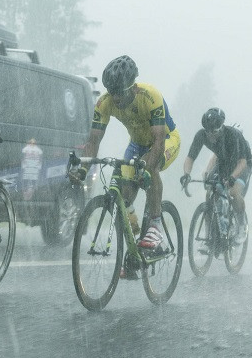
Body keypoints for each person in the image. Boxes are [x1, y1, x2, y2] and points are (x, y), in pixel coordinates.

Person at [71, 56, 181, 276]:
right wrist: (82, 169)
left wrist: (147, 170)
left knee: (151, 168)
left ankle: (156, 226)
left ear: (132, 87)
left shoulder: (150, 96)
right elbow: (93, 141)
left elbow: (158, 141)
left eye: (120, 91)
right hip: (137, 145)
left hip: (166, 140)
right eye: (112, 91)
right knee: (125, 195)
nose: (116, 97)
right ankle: (134, 251)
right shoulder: (105, 102)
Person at [179, 107, 252, 242]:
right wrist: (186, 174)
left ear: (221, 127)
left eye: (214, 132)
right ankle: (209, 235)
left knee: (233, 192)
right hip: (224, 163)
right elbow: (191, 158)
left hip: (242, 165)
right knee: (210, 192)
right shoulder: (201, 135)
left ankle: (242, 225)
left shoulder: (233, 135)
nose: (210, 136)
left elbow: (242, 163)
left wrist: (232, 178)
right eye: (207, 132)